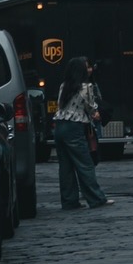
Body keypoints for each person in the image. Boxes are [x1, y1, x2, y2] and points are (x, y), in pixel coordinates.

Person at [53, 57, 111, 209]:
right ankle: (96, 198)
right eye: (86, 67)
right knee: (85, 164)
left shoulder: (63, 85)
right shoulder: (87, 87)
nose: (89, 70)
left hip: (59, 125)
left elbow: (60, 104)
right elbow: (91, 107)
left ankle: (69, 201)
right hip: (74, 126)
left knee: (65, 167)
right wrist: (97, 114)